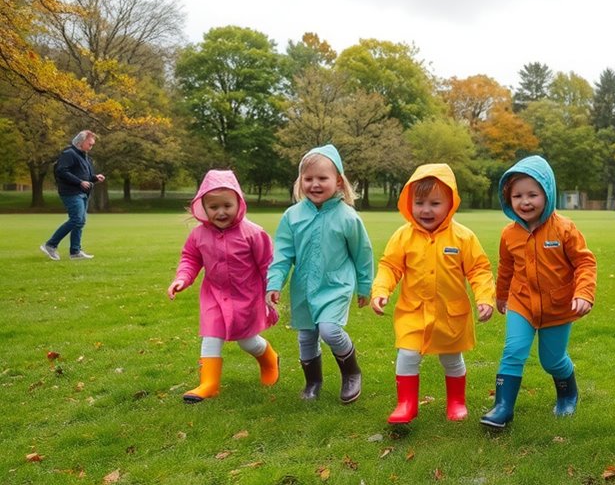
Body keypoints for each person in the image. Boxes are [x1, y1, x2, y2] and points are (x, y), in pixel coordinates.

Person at [371, 164, 496, 424]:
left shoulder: (463, 237)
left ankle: (456, 401)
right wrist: (381, 289)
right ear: (409, 202)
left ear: (451, 203)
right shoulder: (403, 236)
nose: (426, 210)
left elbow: (479, 270)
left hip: (449, 314)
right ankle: (406, 403)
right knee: (407, 355)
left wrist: (485, 298)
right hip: (413, 312)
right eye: (419, 202)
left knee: (451, 358)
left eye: (435, 203)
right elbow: (390, 266)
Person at [480, 156, 597, 429]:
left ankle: (568, 393)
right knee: (514, 350)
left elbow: (585, 262)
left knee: (552, 360)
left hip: (558, 307)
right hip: (521, 303)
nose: (525, 202)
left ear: (548, 194)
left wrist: (584, 293)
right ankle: (503, 406)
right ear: (508, 198)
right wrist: (501, 296)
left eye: (533, 194)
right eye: (517, 195)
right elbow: (506, 267)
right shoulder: (509, 234)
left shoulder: (564, 229)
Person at [266, 144, 374, 403]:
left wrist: (364, 286)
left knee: (329, 330)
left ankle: (351, 373)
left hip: (335, 285)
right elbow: (282, 254)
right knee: (306, 335)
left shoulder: (347, 217)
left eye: (322, 178)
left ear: (338, 181)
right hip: (303, 286)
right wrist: (275, 282)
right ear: (300, 181)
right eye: (308, 178)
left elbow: (363, 253)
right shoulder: (293, 216)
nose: (315, 184)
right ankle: (313, 381)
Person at [167, 170, 279, 403]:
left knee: (247, 340)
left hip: (246, 297)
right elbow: (190, 259)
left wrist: (270, 290)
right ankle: (209, 383)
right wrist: (182, 279)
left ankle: (269, 360)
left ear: (239, 203)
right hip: (213, 296)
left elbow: (267, 264)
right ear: (204, 208)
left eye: (227, 205)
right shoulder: (198, 235)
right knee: (211, 335)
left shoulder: (253, 233)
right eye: (214, 206)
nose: (220, 212)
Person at [40, 130, 106, 261]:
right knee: (76, 219)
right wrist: (80, 182)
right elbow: (61, 171)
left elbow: (84, 176)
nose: (91, 147)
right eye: (90, 144)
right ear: (80, 142)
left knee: (80, 221)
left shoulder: (83, 156)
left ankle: (75, 252)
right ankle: (50, 245)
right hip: (71, 192)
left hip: (82, 192)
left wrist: (94, 178)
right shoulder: (69, 154)